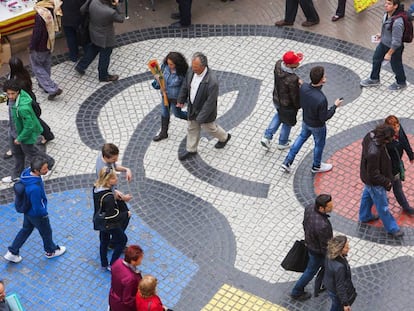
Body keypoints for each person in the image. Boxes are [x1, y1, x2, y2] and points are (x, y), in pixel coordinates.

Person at [281, 66, 342, 173]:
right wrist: (335, 106)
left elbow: (300, 83)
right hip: (317, 126)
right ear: (322, 80)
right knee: (319, 144)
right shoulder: (321, 99)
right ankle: (316, 166)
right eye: (324, 76)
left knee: (301, 138)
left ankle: (287, 161)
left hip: (306, 120)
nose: (325, 76)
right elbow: (324, 117)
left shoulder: (304, 87)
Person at [4, 157, 66, 263]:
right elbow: (37, 207)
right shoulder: (35, 189)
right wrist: (44, 213)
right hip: (36, 215)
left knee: (26, 230)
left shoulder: (27, 173)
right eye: (44, 169)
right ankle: (51, 251)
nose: (47, 170)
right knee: (46, 232)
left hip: (28, 211)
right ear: (36, 171)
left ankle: (13, 252)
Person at [177, 52, 231, 161]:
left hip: (205, 112)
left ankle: (224, 137)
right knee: (192, 127)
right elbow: (185, 86)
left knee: (210, 128)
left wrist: (200, 119)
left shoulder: (212, 82)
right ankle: (191, 149)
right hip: (192, 107)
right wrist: (181, 99)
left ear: (204, 66)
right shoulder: (191, 71)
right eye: (193, 66)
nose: (193, 69)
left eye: (196, 67)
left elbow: (210, 103)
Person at [1, 80, 55, 184]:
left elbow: (29, 125)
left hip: (23, 135)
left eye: (12, 93)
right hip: (14, 131)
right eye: (8, 94)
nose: (10, 96)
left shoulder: (23, 107)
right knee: (18, 153)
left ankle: (48, 163)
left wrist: (20, 138)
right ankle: (16, 175)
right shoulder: (14, 99)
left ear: (18, 92)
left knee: (32, 153)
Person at [358, 124, 404, 237]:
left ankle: (364, 216)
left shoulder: (369, 136)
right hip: (375, 182)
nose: (392, 140)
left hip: (367, 178)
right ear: (385, 138)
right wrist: (387, 182)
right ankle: (392, 228)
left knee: (367, 194)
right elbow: (374, 174)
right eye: (391, 138)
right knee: (382, 206)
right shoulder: (374, 152)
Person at [290, 194, 334, 301]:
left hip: (310, 244)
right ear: (321, 208)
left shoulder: (309, 207)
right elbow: (325, 246)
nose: (332, 207)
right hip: (317, 251)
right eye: (329, 206)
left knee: (319, 267)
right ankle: (297, 291)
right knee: (311, 271)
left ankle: (324, 283)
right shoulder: (323, 226)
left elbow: (304, 223)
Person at [260, 50, 303, 150]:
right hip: (287, 105)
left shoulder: (278, 64)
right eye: (296, 61)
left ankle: (267, 136)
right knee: (287, 122)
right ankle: (282, 142)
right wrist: (298, 105)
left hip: (277, 99)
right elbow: (294, 96)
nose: (299, 62)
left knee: (279, 115)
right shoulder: (292, 79)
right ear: (290, 65)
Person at [360, 0, 407, 91]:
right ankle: (374, 79)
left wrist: (389, 53)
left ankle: (401, 82)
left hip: (394, 48)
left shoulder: (398, 22)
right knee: (376, 59)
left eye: (389, 4)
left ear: (395, 6)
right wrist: (382, 35)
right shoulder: (386, 14)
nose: (385, 5)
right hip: (383, 43)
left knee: (396, 65)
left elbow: (397, 42)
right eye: (385, 3)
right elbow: (387, 28)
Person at [75, 0, 125, 82]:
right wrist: (117, 4)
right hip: (105, 37)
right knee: (105, 56)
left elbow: (82, 9)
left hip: (93, 31)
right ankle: (103, 76)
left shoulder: (93, 1)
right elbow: (121, 18)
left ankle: (81, 66)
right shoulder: (110, 12)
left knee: (94, 48)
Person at [9, 56, 55, 145]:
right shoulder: (24, 74)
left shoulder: (17, 81)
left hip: (27, 101)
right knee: (35, 118)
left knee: (35, 119)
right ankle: (47, 134)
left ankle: (47, 134)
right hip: (30, 97)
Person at [93, 168, 129, 270]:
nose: (117, 178)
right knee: (122, 240)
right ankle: (113, 264)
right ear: (108, 181)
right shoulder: (108, 197)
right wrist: (126, 214)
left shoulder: (96, 188)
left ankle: (104, 263)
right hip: (109, 223)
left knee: (104, 242)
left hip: (100, 221)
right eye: (114, 177)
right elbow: (112, 216)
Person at [151, 52, 189, 142]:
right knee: (164, 113)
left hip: (176, 98)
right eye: (168, 63)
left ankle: (193, 117)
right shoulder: (165, 67)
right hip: (165, 96)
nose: (169, 65)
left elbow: (185, 87)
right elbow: (159, 77)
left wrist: (182, 100)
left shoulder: (183, 73)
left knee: (177, 114)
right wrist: (157, 79)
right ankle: (163, 133)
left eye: (171, 64)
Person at [30, 0, 63, 100]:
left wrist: (31, 46)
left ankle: (52, 88)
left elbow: (37, 33)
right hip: (49, 42)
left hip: (40, 46)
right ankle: (44, 84)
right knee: (46, 65)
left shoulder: (40, 15)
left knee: (37, 67)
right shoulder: (53, 7)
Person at [384, 115, 414, 215]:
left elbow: (405, 141)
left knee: (397, 187)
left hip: (396, 164)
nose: (397, 129)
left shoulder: (399, 131)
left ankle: (406, 207)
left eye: (398, 126)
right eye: (394, 128)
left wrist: (411, 155)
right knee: (386, 185)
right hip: (387, 167)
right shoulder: (385, 140)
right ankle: (406, 207)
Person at [324, 236, 357, 311]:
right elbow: (340, 286)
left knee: (335, 304)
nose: (348, 248)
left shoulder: (329, 253)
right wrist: (345, 304)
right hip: (336, 291)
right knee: (337, 306)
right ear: (339, 249)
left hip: (330, 285)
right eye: (346, 247)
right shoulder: (340, 267)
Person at [109, 245, 144, 311]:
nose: (141, 260)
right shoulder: (131, 279)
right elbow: (127, 300)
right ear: (133, 261)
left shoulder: (118, 262)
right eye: (140, 258)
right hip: (122, 307)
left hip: (113, 298)